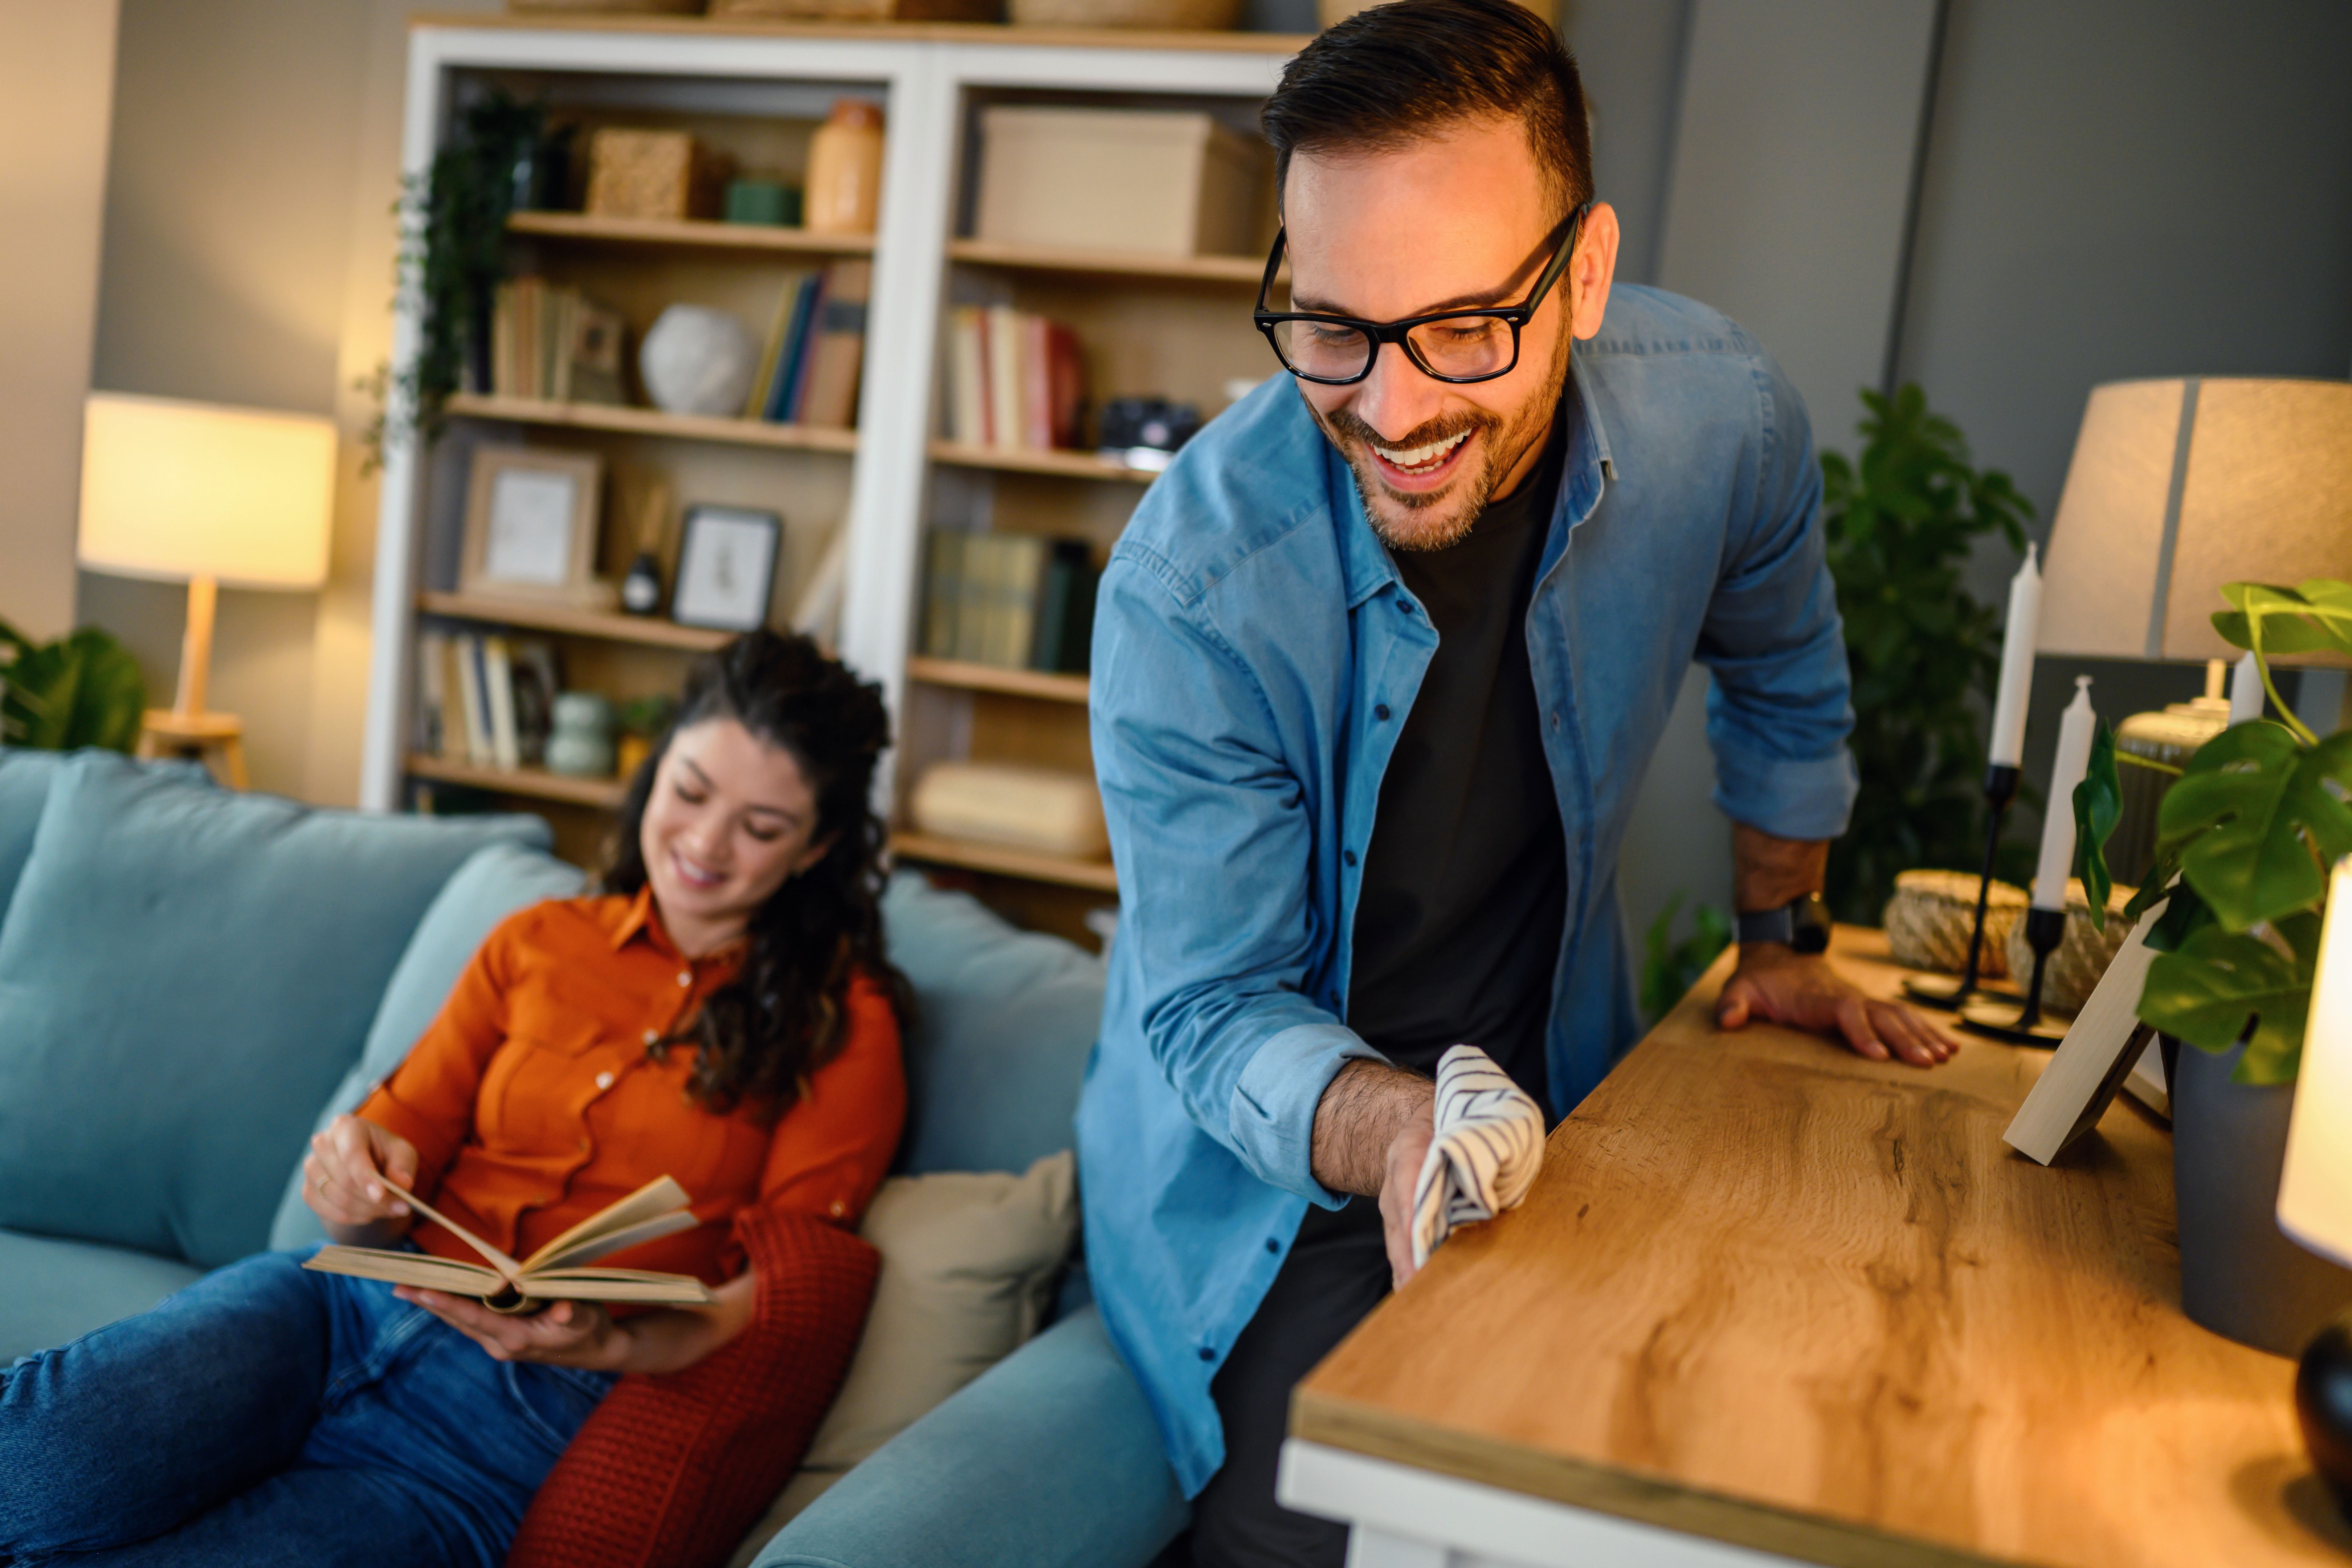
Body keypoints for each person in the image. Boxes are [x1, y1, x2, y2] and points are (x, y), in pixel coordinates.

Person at [1076, 3, 1959, 1563]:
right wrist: (1403, 1131)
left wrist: (1785, 939)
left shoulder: (1722, 420)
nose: (1395, 410)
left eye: (1466, 327)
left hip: (1565, 1085)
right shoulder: (1190, 588)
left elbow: (1785, 674)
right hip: (1275, 1179)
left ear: (1590, 275)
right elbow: (1213, 1011)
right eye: (1334, 327)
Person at [0, 631, 908, 1568]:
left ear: (817, 848)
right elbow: (401, 1140)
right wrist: (355, 1175)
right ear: (656, 770)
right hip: (334, 1313)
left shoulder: (844, 1026)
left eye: (762, 828)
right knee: (35, 1460)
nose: (707, 844)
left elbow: (781, 1312)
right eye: (689, 792)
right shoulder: (541, 941)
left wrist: (612, 1347)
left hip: (502, 1435)